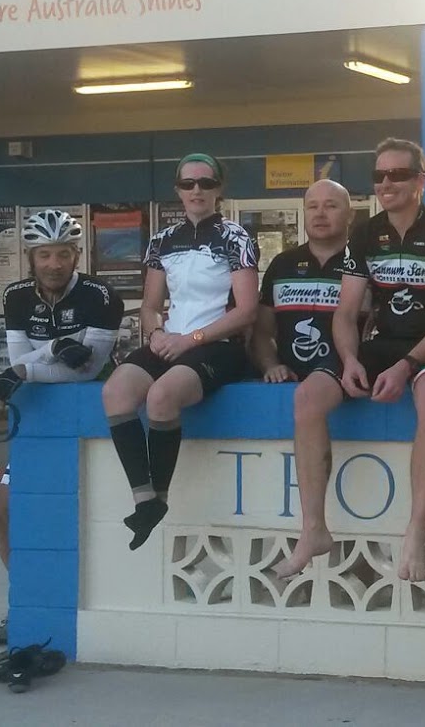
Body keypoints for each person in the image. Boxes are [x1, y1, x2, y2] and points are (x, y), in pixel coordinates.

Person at [289, 138, 425, 582]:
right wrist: (350, 359)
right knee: (309, 397)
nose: (386, 183)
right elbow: (345, 313)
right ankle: (313, 529)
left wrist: (406, 365)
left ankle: (416, 530)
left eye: (397, 174)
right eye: (379, 175)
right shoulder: (366, 233)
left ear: (420, 181)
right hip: (383, 343)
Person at [101, 153, 259, 551]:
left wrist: (190, 340)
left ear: (219, 189)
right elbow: (150, 306)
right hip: (171, 340)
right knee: (116, 391)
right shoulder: (162, 240)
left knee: (161, 397)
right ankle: (144, 499)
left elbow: (246, 311)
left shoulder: (236, 238)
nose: (197, 190)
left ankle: (161, 495)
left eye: (206, 183)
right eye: (188, 184)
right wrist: (156, 333)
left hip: (218, 345)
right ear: (178, 190)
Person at [0, 209, 124, 642]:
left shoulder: (100, 296)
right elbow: (18, 359)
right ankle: (26, 602)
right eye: (44, 254)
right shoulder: (16, 296)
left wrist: (27, 369)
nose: (54, 264)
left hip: (92, 417)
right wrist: (58, 348)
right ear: (31, 257)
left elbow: (86, 370)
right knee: (2, 514)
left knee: (93, 520)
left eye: (63, 253)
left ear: (77, 254)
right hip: (40, 418)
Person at [251, 179, 356, 578]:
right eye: (313, 206)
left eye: (331, 205)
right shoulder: (282, 265)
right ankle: (314, 529)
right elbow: (261, 332)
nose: (320, 214)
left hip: (342, 375)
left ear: (349, 214)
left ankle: (314, 529)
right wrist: (269, 364)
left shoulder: (362, 263)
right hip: (294, 380)